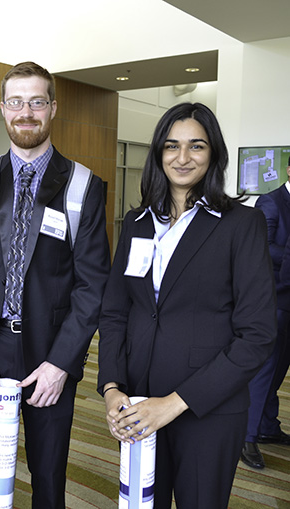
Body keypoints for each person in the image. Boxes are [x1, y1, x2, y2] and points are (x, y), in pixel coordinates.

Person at [0, 61, 110, 508]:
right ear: (2, 109)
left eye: (37, 102)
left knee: (49, 476)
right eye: (16, 102)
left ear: (53, 108)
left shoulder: (82, 185)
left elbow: (92, 285)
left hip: (50, 352)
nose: (26, 112)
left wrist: (61, 363)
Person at [98, 103, 276, 508]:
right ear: (158, 153)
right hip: (137, 403)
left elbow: (258, 335)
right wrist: (111, 388)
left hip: (207, 409)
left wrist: (173, 404)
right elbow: (114, 313)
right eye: (171, 146)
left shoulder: (241, 224)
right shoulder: (137, 223)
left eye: (196, 146)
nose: (182, 157)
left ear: (213, 153)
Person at [242, 155, 290, 468]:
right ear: (289, 170)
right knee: (264, 369)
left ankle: (267, 426)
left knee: (280, 368)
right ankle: (246, 437)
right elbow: (263, 247)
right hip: (274, 299)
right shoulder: (271, 202)